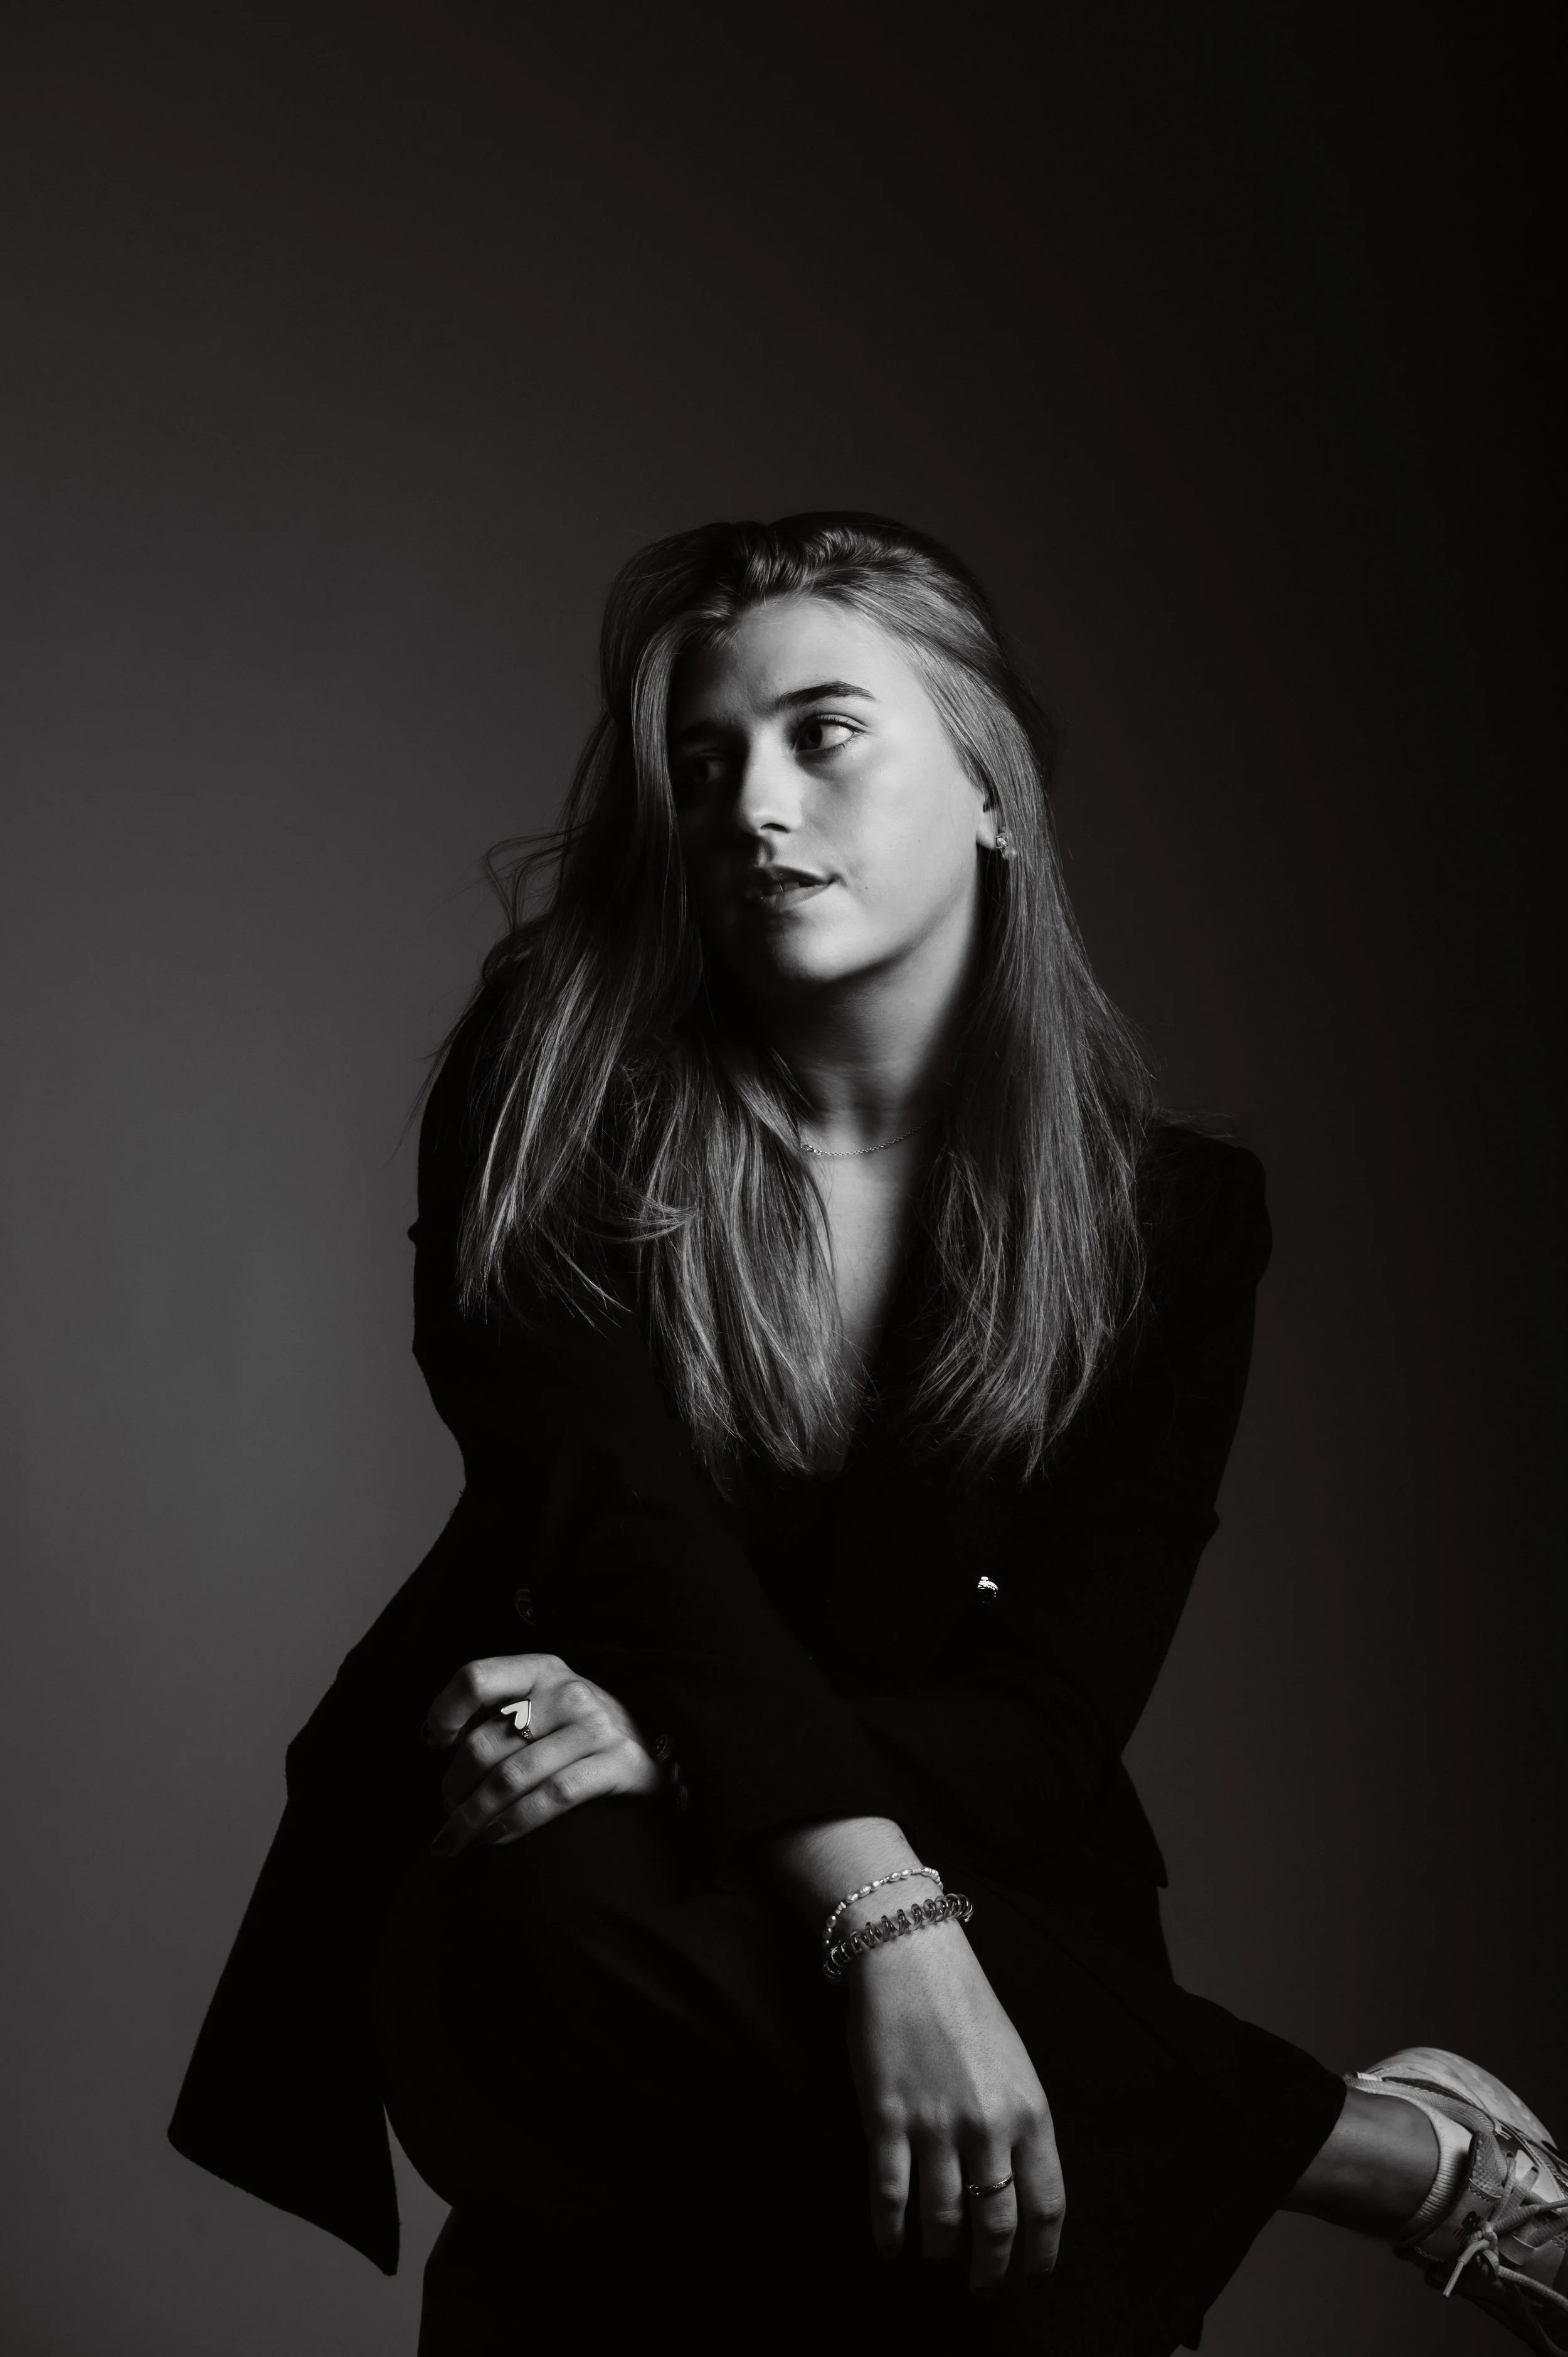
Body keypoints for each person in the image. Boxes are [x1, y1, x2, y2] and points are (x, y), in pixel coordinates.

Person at [169, 514, 1567, 2356]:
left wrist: (693, 1763)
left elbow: (1045, 1723)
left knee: (820, 2170)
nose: (751, 802)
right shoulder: (554, 1079)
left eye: (822, 733)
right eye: (701, 762)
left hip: (956, 1873)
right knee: (565, 1893)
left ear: (988, 790)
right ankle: (1385, 2157)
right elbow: (614, 1536)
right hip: (556, 1871)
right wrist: (887, 1928)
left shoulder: (1166, 1219)